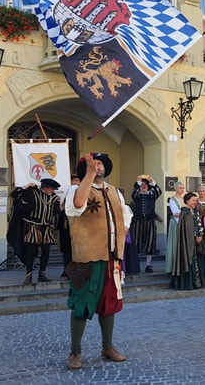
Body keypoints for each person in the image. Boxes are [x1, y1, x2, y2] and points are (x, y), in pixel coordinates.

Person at [64, 153, 132, 370]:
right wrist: (89, 175)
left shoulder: (115, 192)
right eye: (93, 164)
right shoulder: (76, 189)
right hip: (88, 258)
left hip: (112, 257)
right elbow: (78, 204)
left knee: (109, 304)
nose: (97, 167)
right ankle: (75, 352)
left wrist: (121, 232)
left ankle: (107, 347)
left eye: (100, 164)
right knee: (81, 305)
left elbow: (125, 215)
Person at [14, 178, 61, 285]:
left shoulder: (54, 198)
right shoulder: (33, 193)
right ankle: (28, 275)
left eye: (53, 189)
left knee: (46, 252)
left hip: (47, 227)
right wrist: (25, 188)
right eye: (51, 189)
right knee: (30, 251)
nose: (52, 191)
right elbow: (18, 198)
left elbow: (55, 211)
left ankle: (42, 274)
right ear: (45, 187)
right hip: (33, 226)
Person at [170, 192, 205, 290]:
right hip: (188, 242)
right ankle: (188, 283)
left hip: (196, 241)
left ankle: (196, 282)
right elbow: (187, 229)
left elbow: (198, 225)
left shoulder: (194, 211)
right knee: (189, 259)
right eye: (193, 200)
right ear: (187, 201)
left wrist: (200, 235)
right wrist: (195, 236)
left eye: (196, 200)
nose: (195, 202)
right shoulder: (185, 212)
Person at [130, 175, 162, 273]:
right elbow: (133, 195)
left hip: (150, 221)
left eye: (145, 184)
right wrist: (138, 182)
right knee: (136, 243)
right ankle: (136, 265)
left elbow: (159, 192)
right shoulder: (137, 195)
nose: (143, 186)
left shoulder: (152, 194)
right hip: (138, 221)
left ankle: (149, 265)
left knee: (150, 242)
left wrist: (153, 181)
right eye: (142, 185)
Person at [58, 174, 81, 278]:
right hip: (66, 232)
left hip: (78, 233)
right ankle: (67, 270)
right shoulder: (64, 211)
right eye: (74, 181)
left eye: (77, 180)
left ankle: (74, 270)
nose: (75, 182)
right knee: (67, 251)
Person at [165, 181, 186, 274]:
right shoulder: (172, 199)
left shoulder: (184, 199)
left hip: (184, 222)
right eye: (180, 188)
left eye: (182, 188)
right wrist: (183, 215)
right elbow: (175, 213)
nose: (181, 189)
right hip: (176, 223)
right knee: (175, 243)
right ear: (175, 189)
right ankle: (173, 266)